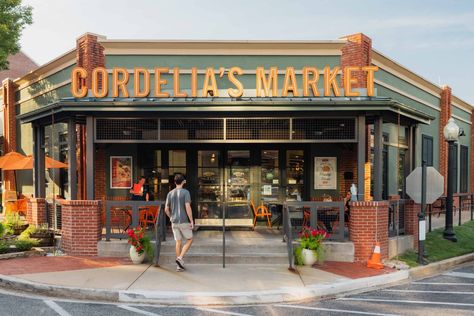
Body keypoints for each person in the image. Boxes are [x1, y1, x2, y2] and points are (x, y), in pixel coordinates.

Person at [164, 174, 194, 272]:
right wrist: (191, 220)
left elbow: (166, 209)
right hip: (184, 221)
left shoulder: (170, 193)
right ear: (183, 182)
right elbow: (187, 207)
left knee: (178, 241)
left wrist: (171, 217)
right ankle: (180, 258)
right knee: (190, 239)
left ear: (174, 182)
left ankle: (178, 266)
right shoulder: (186, 192)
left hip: (174, 222)